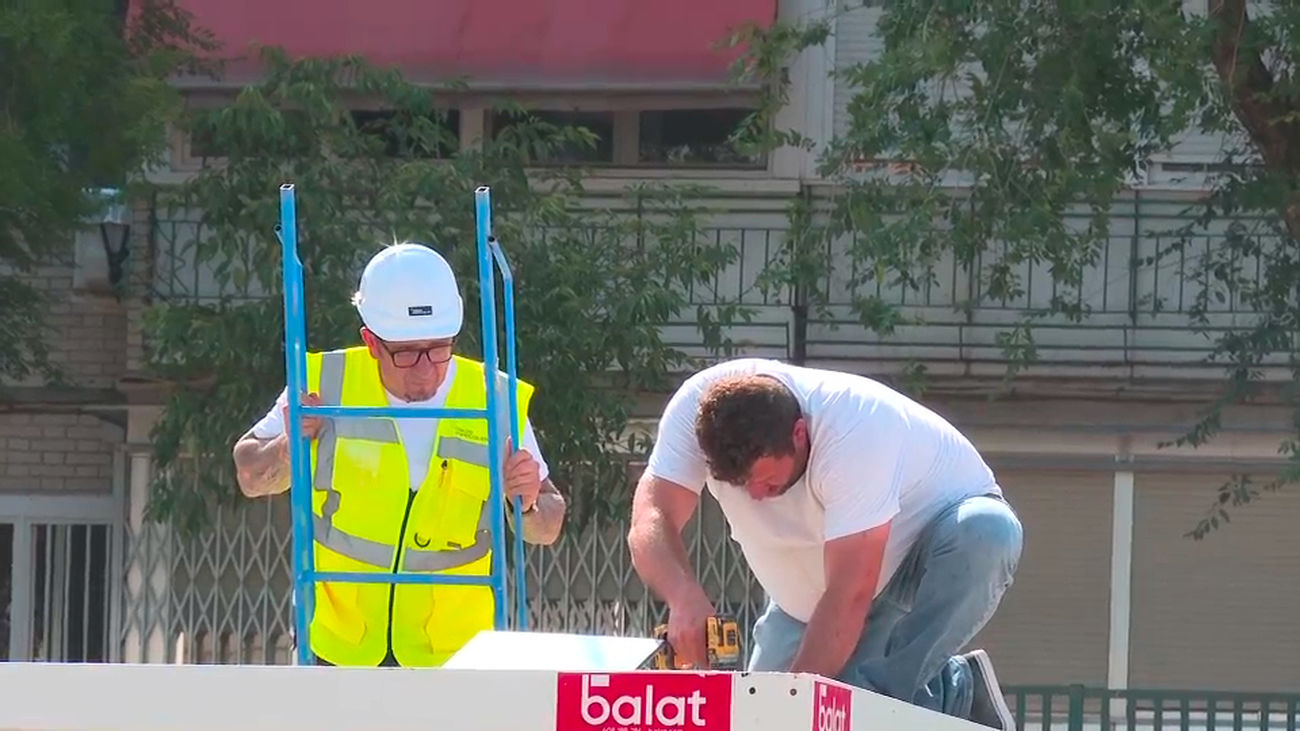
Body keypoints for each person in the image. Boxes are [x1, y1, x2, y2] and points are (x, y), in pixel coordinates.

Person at [627, 357, 1023, 730]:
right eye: (738, 485)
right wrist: (683, 596)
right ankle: (939, 692)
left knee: (987, 531)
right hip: (801, 600)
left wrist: (799, 704)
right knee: (760, 721)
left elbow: (850, 593)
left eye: (765, 481)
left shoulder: (856, 427)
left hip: (907, 565)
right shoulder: (696, 411)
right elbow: (651, 515)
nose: (756, 497)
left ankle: (941, 690)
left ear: (799, 434)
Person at [232, 241, 567, 668]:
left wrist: (529, 502)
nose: (426, 369)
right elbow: (249, 474)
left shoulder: (493, 398)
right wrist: (288, 446)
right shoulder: (324, 383)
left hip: (454, 653)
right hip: (339, 645)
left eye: (439, 348)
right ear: (371, 341)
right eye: (407, 353)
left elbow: (548, 524)